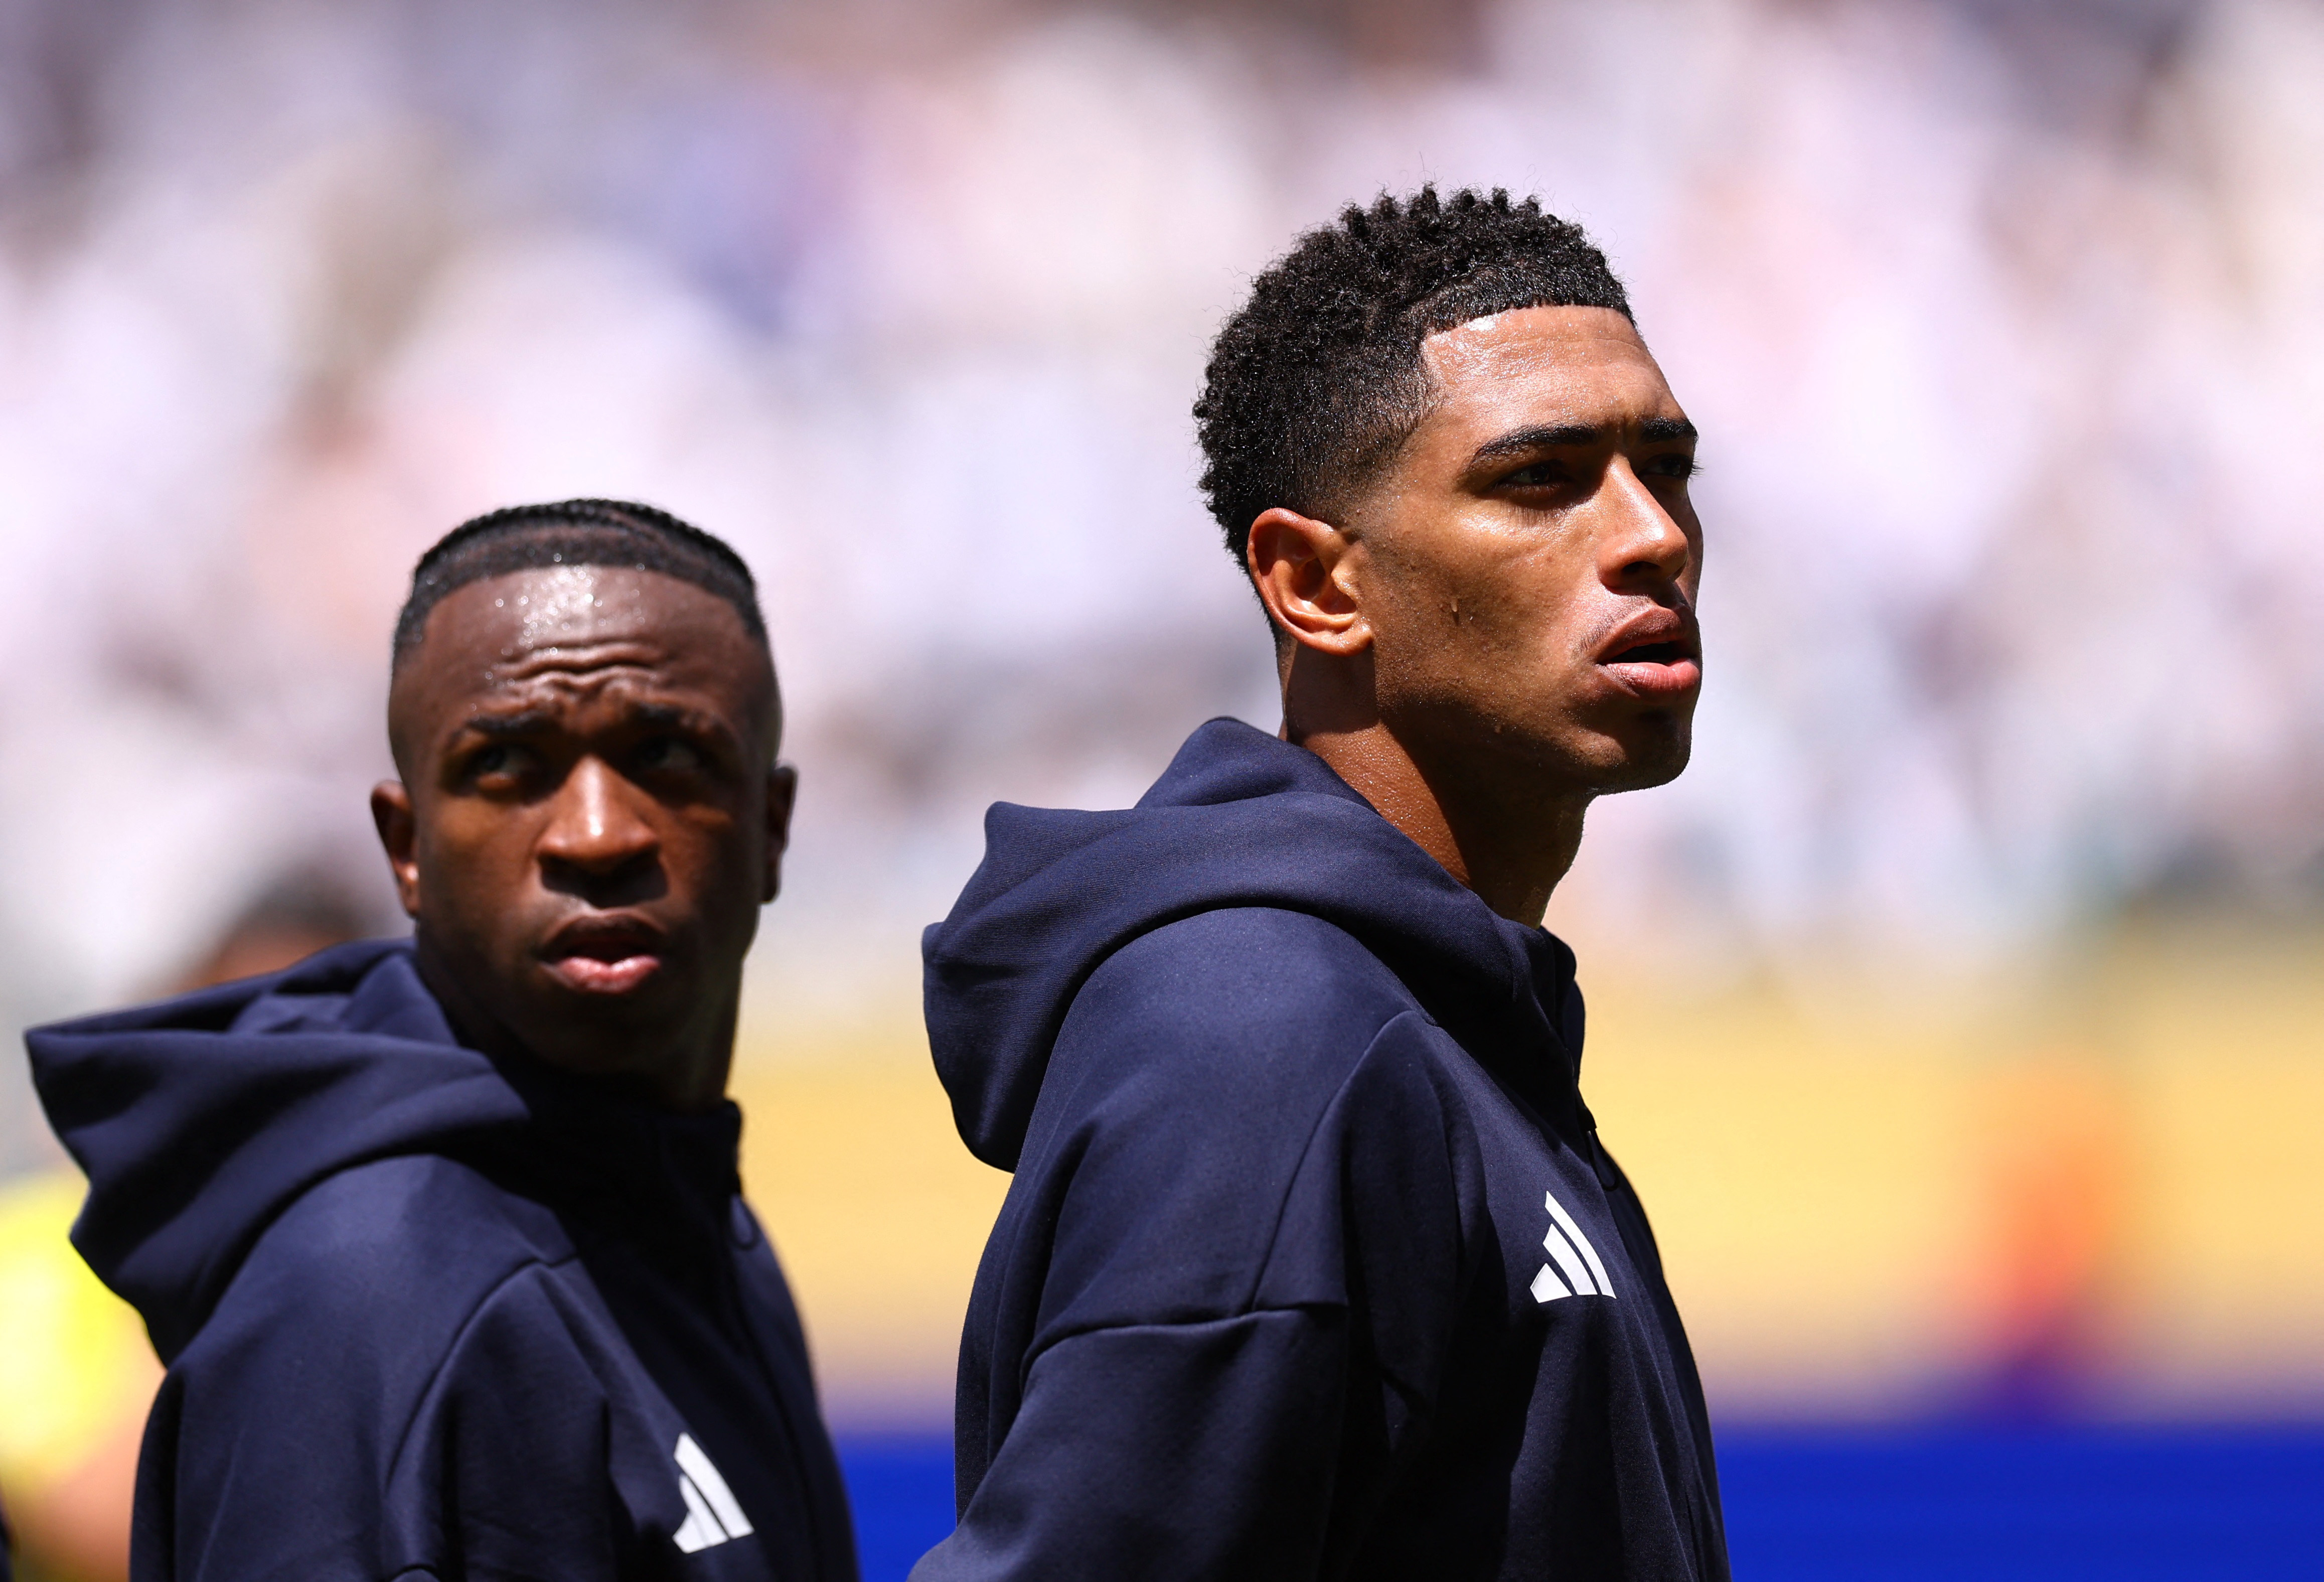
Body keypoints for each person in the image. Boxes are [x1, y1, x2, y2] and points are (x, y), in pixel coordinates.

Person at [916, 188, 1727, 1580]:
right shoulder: (1261, 1038)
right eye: (1542, 479)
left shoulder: (1432, 1023)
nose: (1650, 533)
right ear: (1313, 584)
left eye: (1666, 468)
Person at [29, 500, 858, 1581]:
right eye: (509, 763)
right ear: (407, 847)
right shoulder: (362, 1299)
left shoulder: (701, 1222)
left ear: (772, 827)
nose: (595, 833)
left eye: (665, 753)